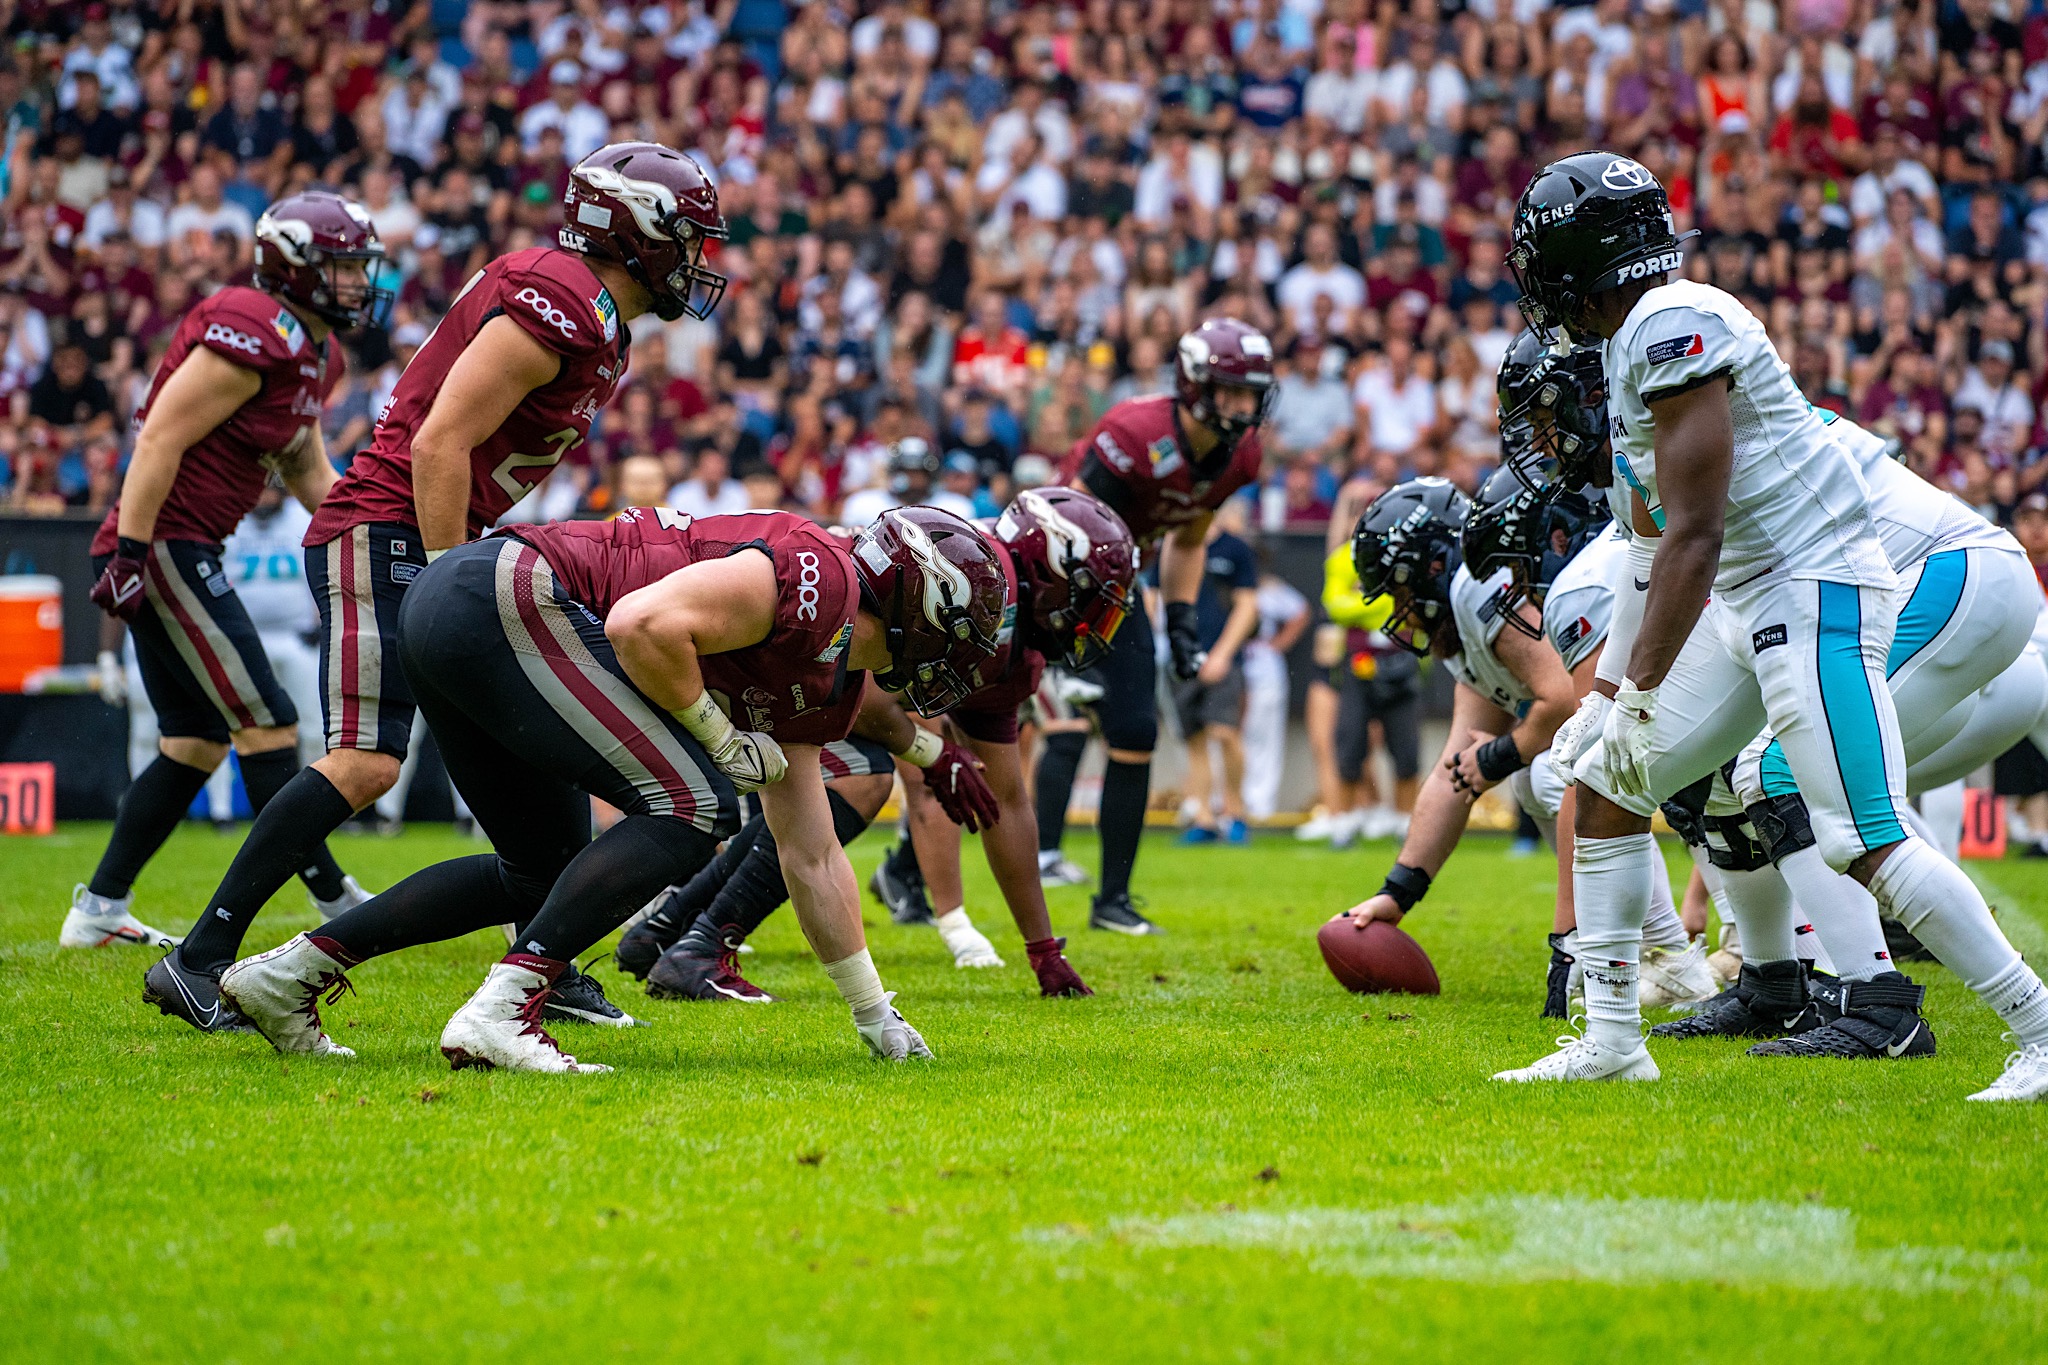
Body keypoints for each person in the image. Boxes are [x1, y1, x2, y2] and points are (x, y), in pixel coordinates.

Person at [1496, 152, 2048, 1100]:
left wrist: (1637, 691)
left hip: (1813, 587)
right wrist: (1610, 703)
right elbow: (1643, 552)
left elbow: (1695, 537)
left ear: (1583, 258)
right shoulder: (1638, 341)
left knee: (1861, 833)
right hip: (1749, 596)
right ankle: (1616, 1039)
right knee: (1603, 784)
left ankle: (2038, 1027)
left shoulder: (1678, 324)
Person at [157, 143, 732, 1028]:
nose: (697, 262)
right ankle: (199, 957)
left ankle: (546, 956)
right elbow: (437, 444)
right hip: (388, 534)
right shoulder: (565, 298)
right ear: (638, 233)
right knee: (366, 760)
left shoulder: (594, 315)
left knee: (544, 775)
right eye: (686, 239)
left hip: (435, 541)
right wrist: (444, 579)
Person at [218, 505, 1008, 1071]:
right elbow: (640, 624)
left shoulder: (830, 667)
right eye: (964, 634)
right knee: (697, 800)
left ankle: (286, 976)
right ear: (921, 601)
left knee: (538, 873)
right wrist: (720, 735)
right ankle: (503, 1009)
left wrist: (873, 1013)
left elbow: (811, 854)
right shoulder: (819, 579)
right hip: (499, 593)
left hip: (467, 607)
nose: (964, 659)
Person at [630, 488, 1137, 1000]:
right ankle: (698, 943)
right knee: (858, 780)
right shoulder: (974, 596)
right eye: (1095, 599)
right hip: (731, 645)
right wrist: (933, 758)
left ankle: (671, 927)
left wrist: (1043, 948)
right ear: (1053, 574)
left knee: (827, 787)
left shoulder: (1007, 635)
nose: (1097, 623)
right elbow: (864, 694)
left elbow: (1004, 799)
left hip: (775, 663)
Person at [68, 191, 381, 970]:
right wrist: (131, 551)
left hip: (185, 541)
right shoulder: (254, 328)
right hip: (168, 541)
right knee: (268, 722)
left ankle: (99, 907)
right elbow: (161, 435)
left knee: (195, 741)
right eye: (340, 268)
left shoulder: (312, 351)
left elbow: (305, 462)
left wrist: (363, 526)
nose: (355, 283)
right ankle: (334, 895)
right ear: (295, 270)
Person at [1036, 317, 1276, 934]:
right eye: (1233, 391)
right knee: (989, 720)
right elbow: (1077, 526)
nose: (1245, 406)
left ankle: (1112, 899)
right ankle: (908, 866)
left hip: (1119, 583)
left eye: (1253, 392)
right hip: (1049, 572)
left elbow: (1191, 537)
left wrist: (1183, 617)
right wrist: (1075, 643)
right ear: (1196, 386)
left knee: (1137, 730)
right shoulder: (1135, 432)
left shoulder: (1239, 456)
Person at [1176, 499, 1260, 844]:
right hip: (1182, 657)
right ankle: (1204, 817)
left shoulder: (1234, 548)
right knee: (1195, 739)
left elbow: (1247, 605)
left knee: (1225, 733)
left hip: (1222, 656)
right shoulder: (1177, 542)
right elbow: (1155, 594)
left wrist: (1223, 654)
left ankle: (1236, 810)